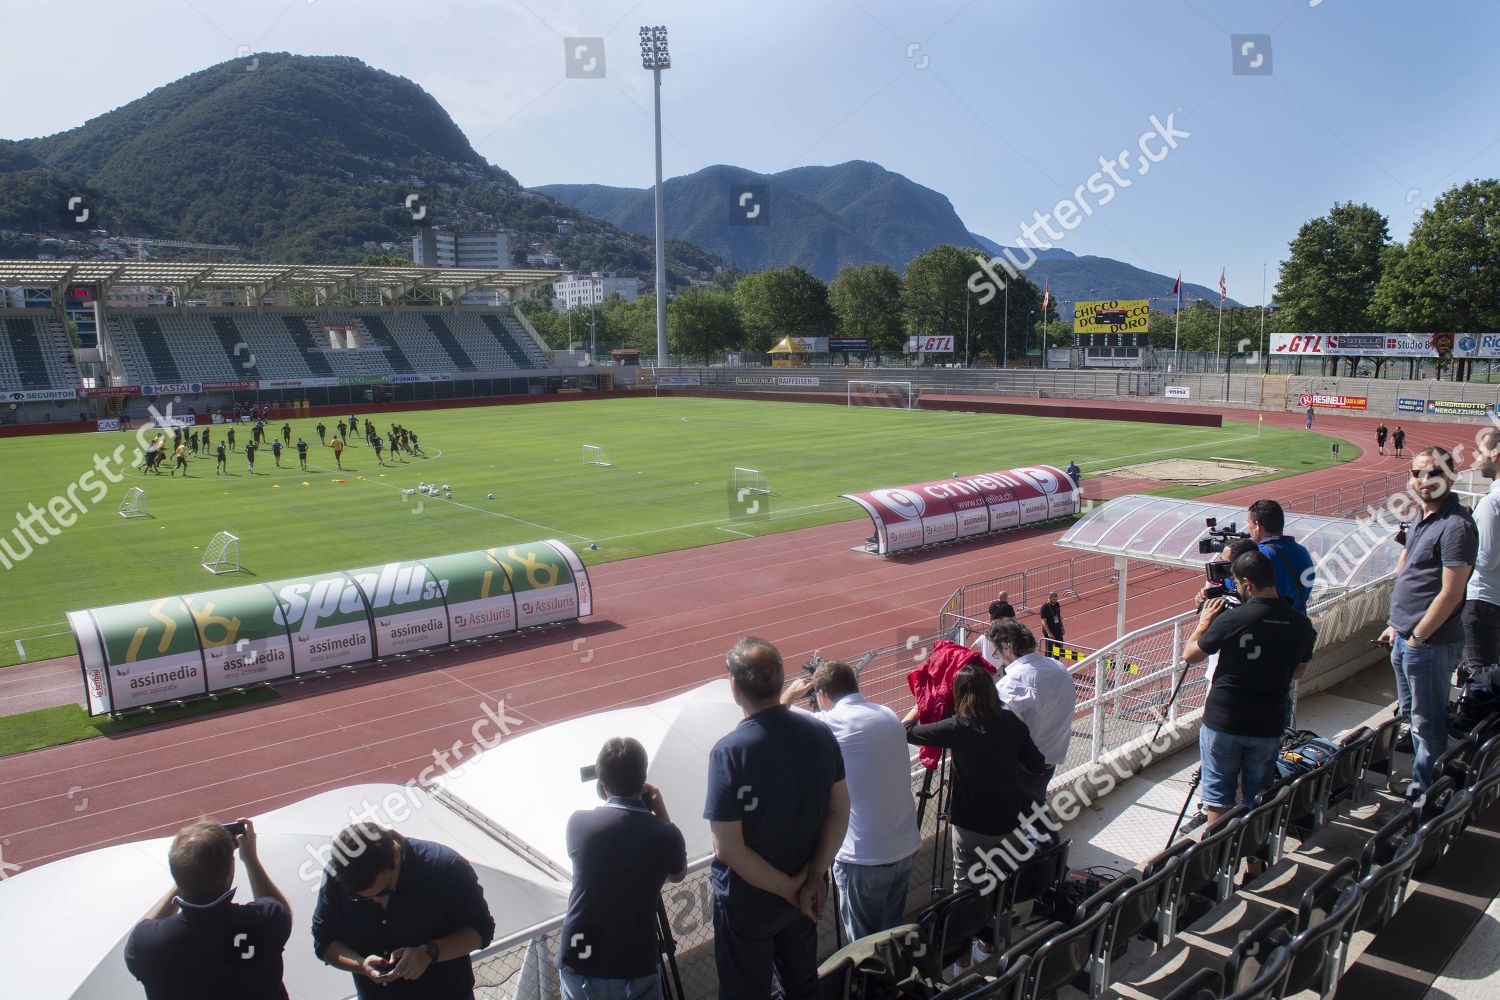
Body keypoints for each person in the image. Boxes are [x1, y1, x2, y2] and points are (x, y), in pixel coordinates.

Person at [704, 637, 849, 1000]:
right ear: (782, 678)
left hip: (751, 906)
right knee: (803, 985)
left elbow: (729, 849)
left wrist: (789, 888)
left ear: (734, 686)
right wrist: (812, 876)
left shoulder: (729, 752)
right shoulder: (818, 732)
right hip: (806, 897)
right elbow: (839, 809)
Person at [904, 666, 1045, 974]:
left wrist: (920, 708)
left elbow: (908, 732)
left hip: (970, 828)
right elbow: (1036, 763)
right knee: (1001, 885)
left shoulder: (957, 726)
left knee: (964, 892)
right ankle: (990, 945)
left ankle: (961, 958)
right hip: (1010, 823)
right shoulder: (1011, 722)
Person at [780, 660, 921, 944]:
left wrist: (789, 695)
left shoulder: (830, 722)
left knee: (865, 948)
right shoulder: (887, 714)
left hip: (865, 858)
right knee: (891, 934)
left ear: (821, 695)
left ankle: (873, 987)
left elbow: (772, 721)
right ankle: (894, 984)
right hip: (905, 846)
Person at [1183, 551, 1317, 827]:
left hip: (1224, 721)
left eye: (1237, 584)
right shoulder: (1301, 623)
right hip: (1268, 723)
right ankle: (1255, 865)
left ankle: (1216, 861)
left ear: (1247, 583)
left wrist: (1203, 623)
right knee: (1258, 796)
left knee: (1219, 797)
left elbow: (1191, 655)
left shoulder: (1233, 619)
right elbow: (1299, 670)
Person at [1379, 445, 1478, 797]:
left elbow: (1451, 592)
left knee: (1426, 723)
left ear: (1450, 477)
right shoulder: (1425, 515)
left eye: (1433, 473)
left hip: (1428, 643)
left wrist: (1419, 635)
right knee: (1412, 716)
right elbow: (1412, 577)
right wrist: (1396, 624)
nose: (1424, 480)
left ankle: (1423, 798)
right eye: (1417, 473)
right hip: (1404, 636)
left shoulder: (1457, 526)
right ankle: (1423, 783)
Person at [557, 738, 687, 1000]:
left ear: (602, 784)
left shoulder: (578, 824)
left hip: (582, 952)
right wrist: (658, 806)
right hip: (635, 958)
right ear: (643, 778)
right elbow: (678, 873)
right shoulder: (665, 835)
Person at [312, 823, 496, 999]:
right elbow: (324, 940)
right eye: (359, 898)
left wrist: (429, 953)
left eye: (384, 891)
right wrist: (361, 966)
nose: (377, 901)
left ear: (394, 854)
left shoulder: (445, 868)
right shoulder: (338, 874)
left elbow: (481, 931)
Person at [125, 818, 293, 1000]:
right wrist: (251, 861)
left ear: (178, 875)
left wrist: (184, 879)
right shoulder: (261, 923)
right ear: (231, 871)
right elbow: (280, 912)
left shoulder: (148, 944)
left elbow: (148, 925)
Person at [985, 618, 1077, 799]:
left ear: (1007, 647)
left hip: (1021, 768)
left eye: (997, 653)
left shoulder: (1009, 685)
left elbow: (1000, 736)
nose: (1000, 661)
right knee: (1035, 811)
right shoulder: (1058, 667)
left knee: (1017, 819)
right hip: (1050, 760)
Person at [1463, 428, 1500, 681]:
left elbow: (1486, 559)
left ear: (1496, 455)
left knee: (1478, 678)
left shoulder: (1491, 502)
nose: (1478, 458)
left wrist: (1459, 546)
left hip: (1483, 601)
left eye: (1483, 452)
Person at [1246, 500, 1316, 614]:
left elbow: (1240, 587)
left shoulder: (1259, 554)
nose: (1248, 527)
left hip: (1271, 623)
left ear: (1258, 526)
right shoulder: (1302, 551)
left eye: (1248, 523)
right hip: (1299, 621)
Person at [969, 597, 1016, 663]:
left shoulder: (983, 636)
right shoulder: (1003, 638)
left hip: (987, 665)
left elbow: (972, 648)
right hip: (999, 665)